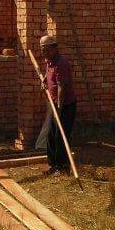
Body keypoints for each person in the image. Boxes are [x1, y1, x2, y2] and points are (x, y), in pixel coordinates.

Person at [38, 35, 77, 175]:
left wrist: (59, 108)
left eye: (46, 49)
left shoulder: (61, 63)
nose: (43, 52)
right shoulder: (49, 60)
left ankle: (63, 167)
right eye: (42, 49)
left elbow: (62, 87)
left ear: (54, 48)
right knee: (51, 135)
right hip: (55, 103)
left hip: (65, 104)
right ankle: (52, 164)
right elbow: (49, 74)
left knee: (60, 136)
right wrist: (45, 80)